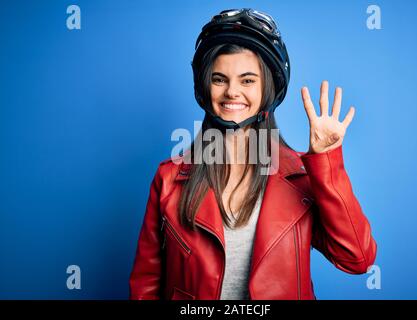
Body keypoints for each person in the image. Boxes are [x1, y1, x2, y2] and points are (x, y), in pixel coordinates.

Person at [129, 8, 377, 300]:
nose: (232, 91)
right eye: (220, 79)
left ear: (266, 90)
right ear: (205, 87)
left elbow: (357, 258)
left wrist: (327, 160)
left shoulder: (301, 177)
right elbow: (146, 284)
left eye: (247, 80)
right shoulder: (169, 178)